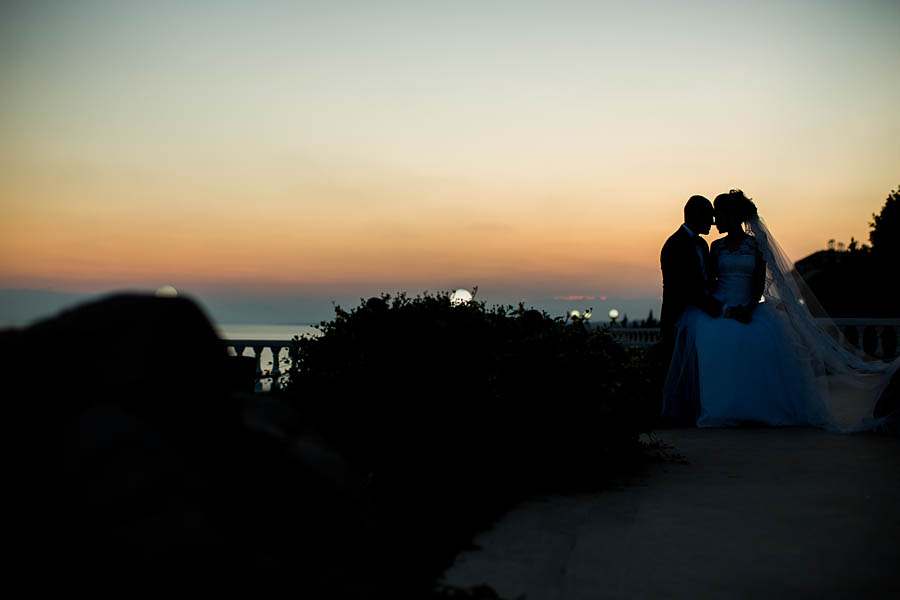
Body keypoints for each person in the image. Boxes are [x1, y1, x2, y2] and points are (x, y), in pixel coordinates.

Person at [662, 189, 900, 431]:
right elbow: (709, 281)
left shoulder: (756, 245)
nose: (715, 220)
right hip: (722, 305)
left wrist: (746, 308)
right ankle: (722, 409)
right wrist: (723, 308)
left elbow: (757, 285)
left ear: (732, 216)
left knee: (759, 341)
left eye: (719, 214)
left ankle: (755, 407)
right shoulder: (714, 246)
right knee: (714, 339)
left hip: (748, 306)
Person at [658, 195, 724, 424]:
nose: (713, 223)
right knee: (674, 370)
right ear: (696, 216)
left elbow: (707, 281)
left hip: (701, 313)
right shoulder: (675, 244)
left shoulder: (702, 244)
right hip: (680, 316)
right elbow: (685, 289)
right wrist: (718, 308)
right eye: (709, 217)